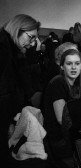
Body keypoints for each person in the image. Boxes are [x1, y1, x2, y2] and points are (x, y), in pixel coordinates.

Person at [0, 14, 41, 163]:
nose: (32, 44)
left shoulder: (14, 51)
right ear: (18, 30)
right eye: (31, 37)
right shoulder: (3, 49)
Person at [43, 49, 81, 166]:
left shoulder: (76, 84)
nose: (74, 67)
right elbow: (61, 119)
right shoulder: (58, 83)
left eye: (77, 63)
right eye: (69, 64)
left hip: (68, 137)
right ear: (62, 66)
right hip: (59, 141)